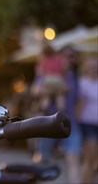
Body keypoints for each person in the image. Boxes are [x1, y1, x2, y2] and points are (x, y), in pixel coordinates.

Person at [32, 45, 82, 183]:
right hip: (47, 123)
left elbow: (78, 100)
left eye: (72, 56)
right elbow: (35, 90)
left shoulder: (73, 76)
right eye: (66, 56)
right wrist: (52, 90)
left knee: (73, 158)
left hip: (69, 122)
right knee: (42, 158)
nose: (69, 59)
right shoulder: (47, 73)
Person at [76, 55, 98, 183]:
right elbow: (79, 106)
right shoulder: (82, 83)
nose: (94, 69)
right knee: (90, 160)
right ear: (86, 68)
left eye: (95, 66)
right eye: (91, 66)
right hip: (87, 125)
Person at [35, 43, 69, 112]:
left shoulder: (43, 60)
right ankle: (61, 111)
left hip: (48, 79)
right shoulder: (59, 59)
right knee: (59, 95)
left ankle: (43, 110)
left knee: (46, 96)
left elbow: (40, 72)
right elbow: (64, 69)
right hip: (58, 79)